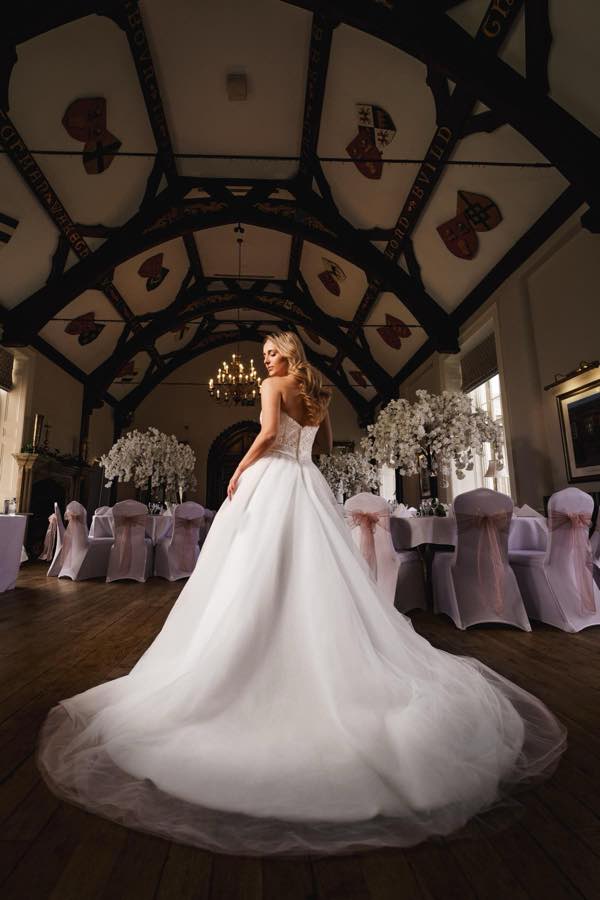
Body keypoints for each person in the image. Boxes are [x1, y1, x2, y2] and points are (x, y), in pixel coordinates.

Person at [36, 331, 566, 857]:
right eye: (264, 355)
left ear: (288, 354)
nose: (265, 361)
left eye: (271, 353)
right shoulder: (319, 390)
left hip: (272, 480)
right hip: (307, 482)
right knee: (315, 567)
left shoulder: (273, 387)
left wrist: (240, 467)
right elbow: (327, 445)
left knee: (253, 565)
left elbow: (268, 433)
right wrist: (301, 443)